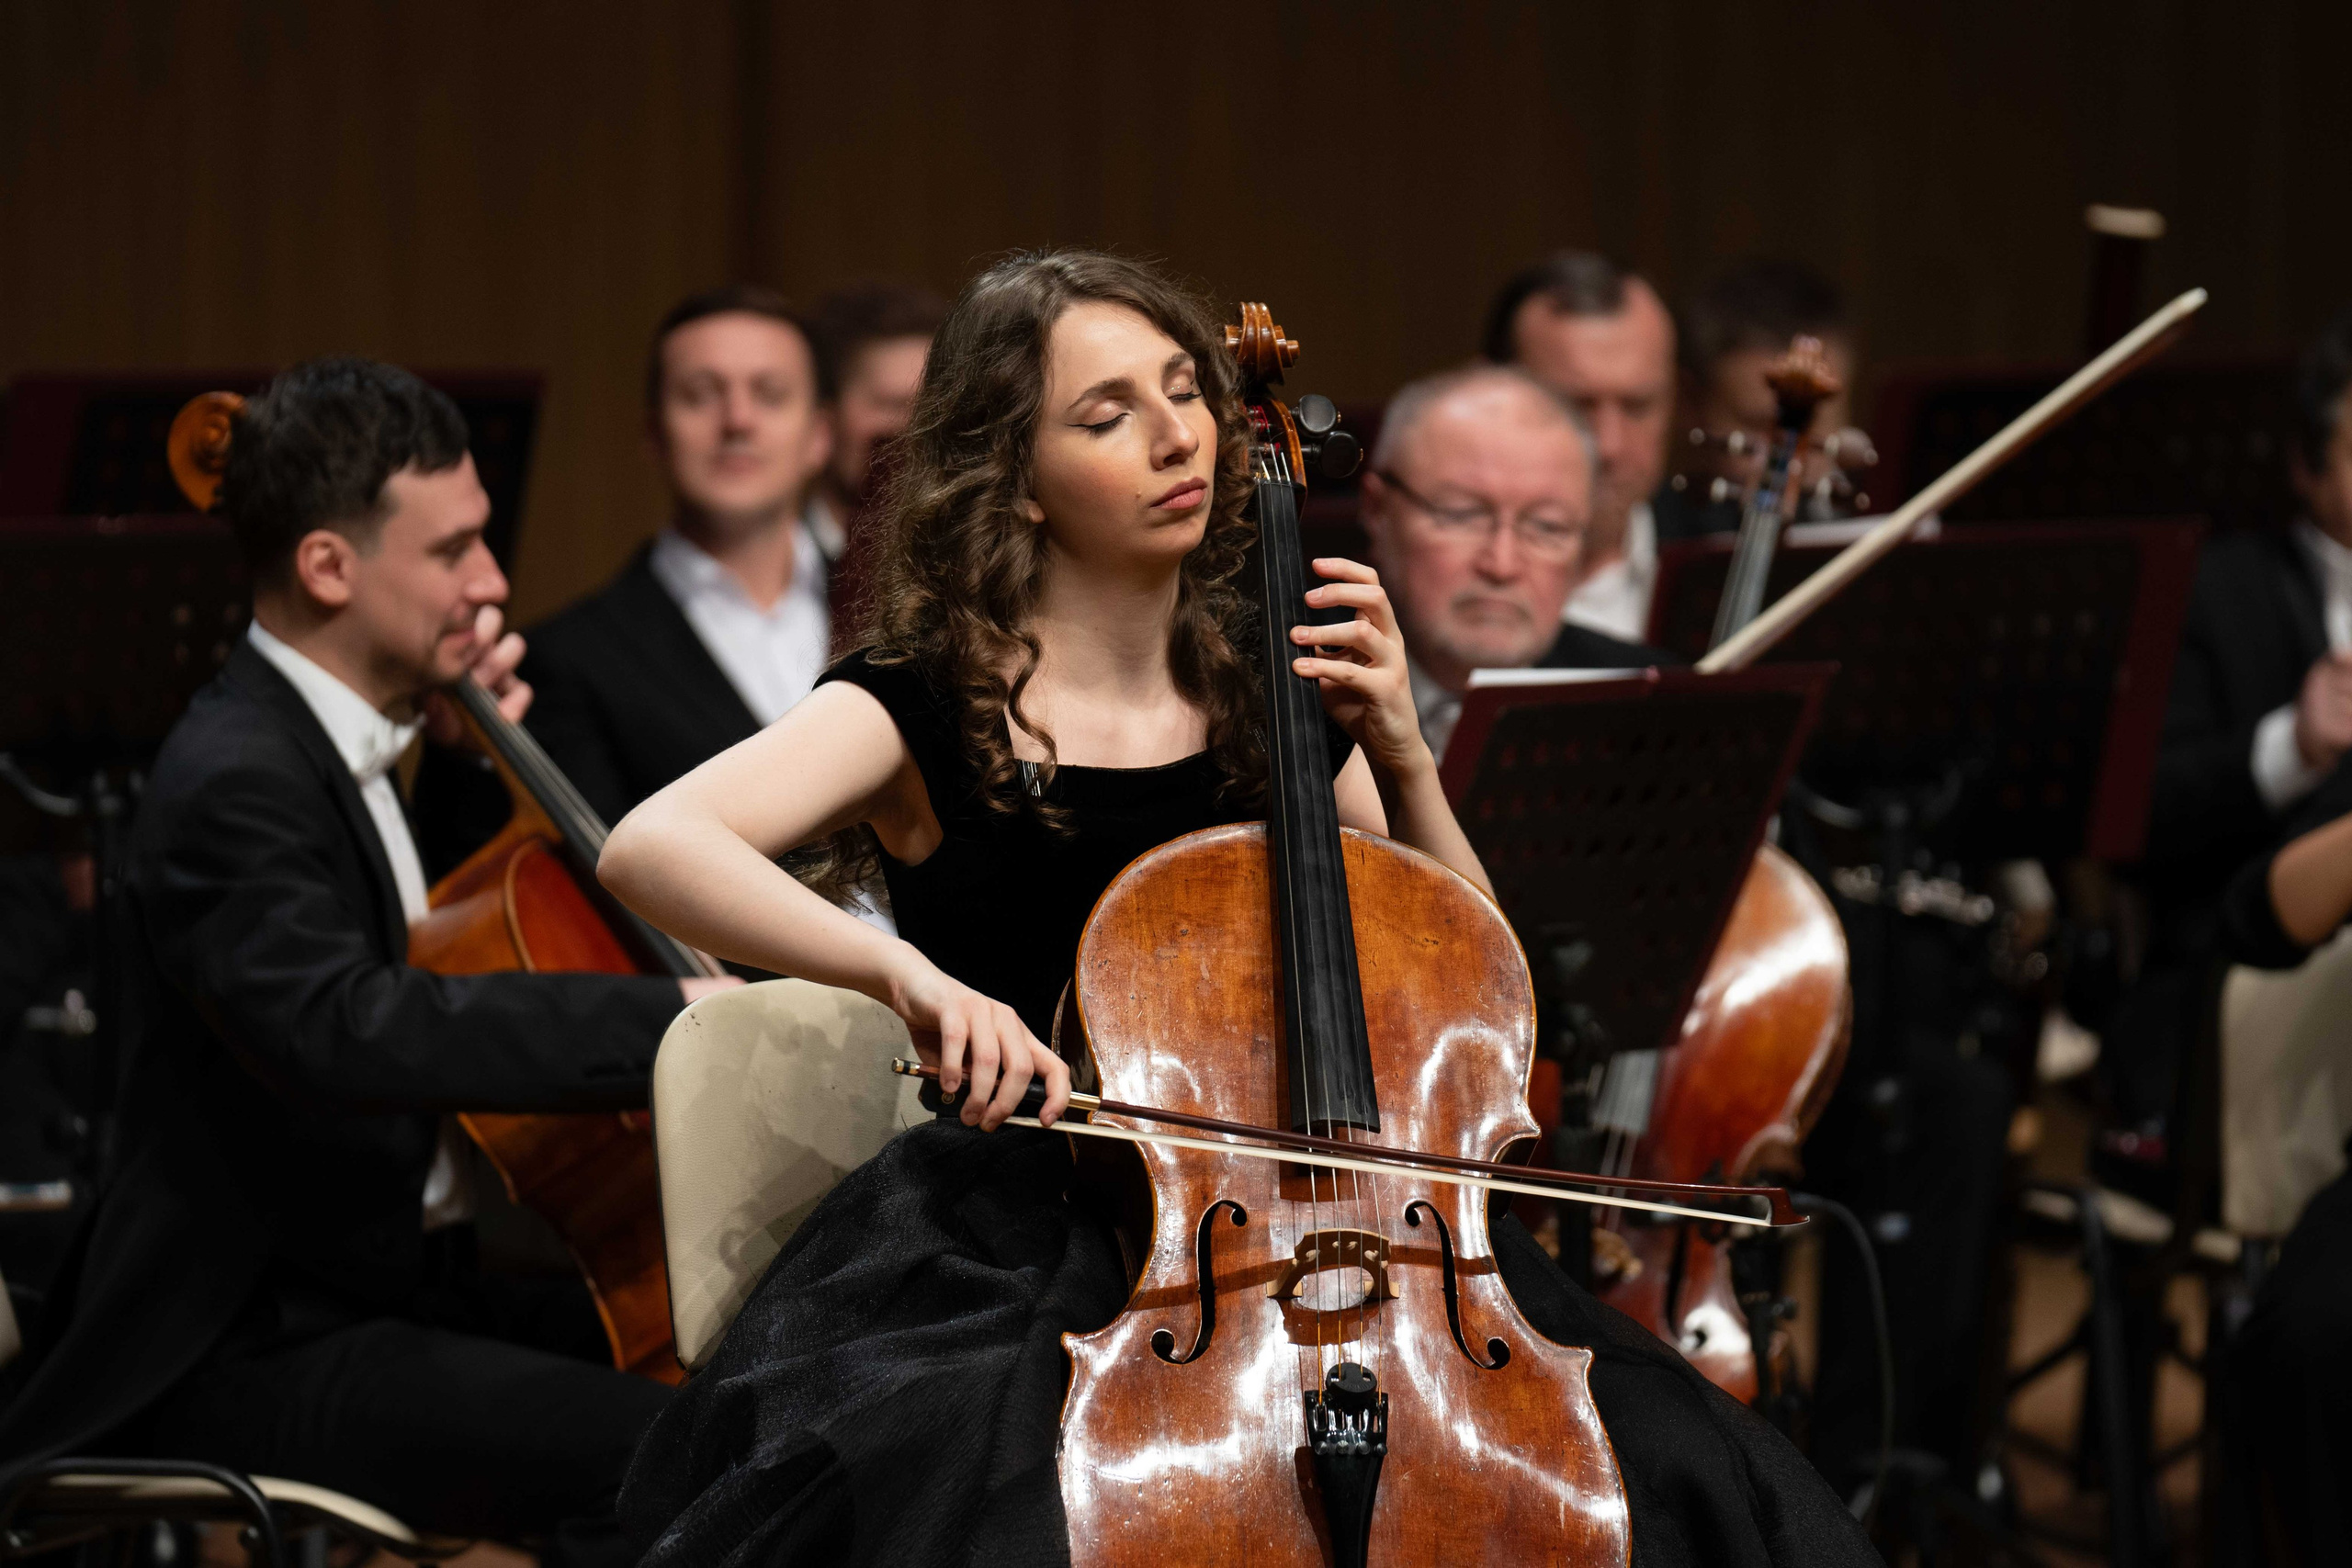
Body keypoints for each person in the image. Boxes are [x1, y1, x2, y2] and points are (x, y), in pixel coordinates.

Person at [600, 249, 1876, 1567]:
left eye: (1183, 392)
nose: (1175, 436)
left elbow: (1478, 978)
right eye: (1105, 417)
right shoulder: (927, 699)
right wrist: (906, 981)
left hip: (1337, 1227)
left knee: (1671, 1475)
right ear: (1015, 483)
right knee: (1015, 1509)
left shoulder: (1267, 691)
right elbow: (658, 843)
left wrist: (1402, 748)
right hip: (1033, 1234)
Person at [0, 359, 733, 1563]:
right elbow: (350, 1022)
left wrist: (455, 760)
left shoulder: (331, 743)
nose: (495, 583)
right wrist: (667, 1018)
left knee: (768, 1387)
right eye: (454, 550)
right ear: (329, 566)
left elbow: (421, 921)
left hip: (395, 1283)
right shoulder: (234, 773)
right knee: (678, 1456)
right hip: (251, 1334)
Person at [2111, 310, 2352, 1175]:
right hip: (2231, 986)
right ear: (2306, 465)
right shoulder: (2217, 591)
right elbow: (2137, 817)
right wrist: (2292, 747)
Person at [518, 286, 838, 828]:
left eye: (770, 393)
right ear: (654, 434)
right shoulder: (569, 659)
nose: (738, 420)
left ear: (819, 436)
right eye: (700, 394)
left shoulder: (908, 611)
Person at [1357, 363, 1673, 760]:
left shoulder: (1654, 708)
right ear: (1378, 511)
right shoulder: (1280, 702)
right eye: (1461, 514)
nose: (1502, 566)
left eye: (1548, 526)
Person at [1480, 251, 1679, 644]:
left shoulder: (1733, 565)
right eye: (1574, 408)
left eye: (1638, 406)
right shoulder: (1425, 581)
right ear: (1489, 392)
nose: (1609, 446)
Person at [1667, 259, 1863, 537]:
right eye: (1759, 426)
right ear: (1690, 403)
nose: (1787, 462)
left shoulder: (1895, 521)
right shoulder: (1648, 540)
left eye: (1811, 422)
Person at [804, 281, 948, 644]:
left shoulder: (987, 576)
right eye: (892, 404)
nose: (916, 430)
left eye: (935, 407)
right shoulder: (783, 577)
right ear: (826, 418)